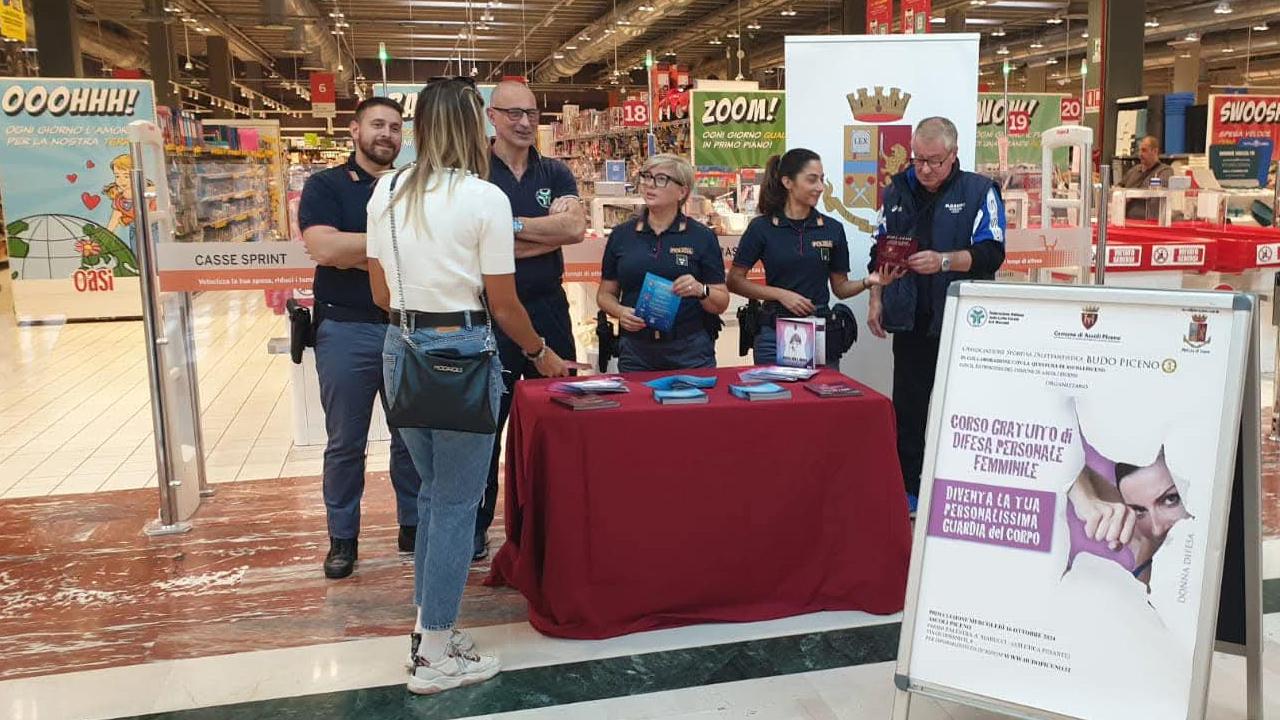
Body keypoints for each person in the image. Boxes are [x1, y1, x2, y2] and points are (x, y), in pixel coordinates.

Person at [366, 77, 569, 695]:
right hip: (462, 353)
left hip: (400, 349)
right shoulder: (484, 198)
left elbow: (379, 292)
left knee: (433, 498)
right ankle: (433, 655)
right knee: (455, 505)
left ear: (420, 125)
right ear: (474, 125)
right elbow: (504, 305)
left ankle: (431, 627)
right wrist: (541, 354)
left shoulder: (387, 190)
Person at [298, 97, 422, 580]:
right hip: (345, 328)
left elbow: (346, 248)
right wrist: (394, 247)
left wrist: (356, 249)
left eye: (394, 127)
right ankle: (342, 538)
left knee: (410, 436)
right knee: (345, 441)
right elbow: (323, 247)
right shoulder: (326, 185)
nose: (387, 134)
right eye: (377, 124)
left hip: (404, 325)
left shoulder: (411, 187)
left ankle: (411, 525)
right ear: (354, 130)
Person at [867, 117, 1006, 514]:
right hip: (909, 319)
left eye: (934, 161)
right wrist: (877, 296)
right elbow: (881, 249)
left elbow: (992, 251)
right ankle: (909, 491)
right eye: (918, 160)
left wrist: (945, 261)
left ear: (953, 155)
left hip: (963, 322)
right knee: (909, 410)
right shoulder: (896, 190)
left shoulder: (980, 191)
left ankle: (960, 489)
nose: (924, 169)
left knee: (961, 409)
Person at [475, 80, 586, 561]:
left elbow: (576, 228)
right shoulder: (473, 172)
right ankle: (477, 527)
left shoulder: (555, 171)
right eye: (513, 113)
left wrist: (508, 229)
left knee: (559, 416)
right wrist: (546, 234)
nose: (524, 122)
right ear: (491, 116)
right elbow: (471, 243)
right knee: (487, 428)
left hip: (549, 307)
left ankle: (558, 522)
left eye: (532, 114)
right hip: (489, 312)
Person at [727, 148, 901, 366]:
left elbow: (840, 288)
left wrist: (869, 282)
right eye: (812, 180)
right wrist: (781, 295)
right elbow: (734, 281)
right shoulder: (762, 227)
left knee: (821, 398)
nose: (820, 187)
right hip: (773, 332)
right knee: (776, 398)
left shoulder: (832, 228)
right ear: (788, 182)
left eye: (822, 179)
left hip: (819, 330)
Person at [597, 155, 729, 371]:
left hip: (690, 350)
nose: (649, 184)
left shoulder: (701, 236)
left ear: (682, 191)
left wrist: (700, 289)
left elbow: (721, 301)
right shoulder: (622, 235)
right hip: (636, 349)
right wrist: (620, 311)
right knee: (639, 405)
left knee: (693, 404)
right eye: (646, 177)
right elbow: (605, 294)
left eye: (661, 179)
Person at [1119, 135, 1174, 220]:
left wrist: (1130, 195)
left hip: (1149, 221)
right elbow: (1119, 187)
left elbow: (1156, 191)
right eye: (1140, 150)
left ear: (1155, 151)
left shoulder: (1165, 171)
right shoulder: (1134, 170)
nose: (1140, 154)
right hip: (1124, 220)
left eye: (1144, 150)